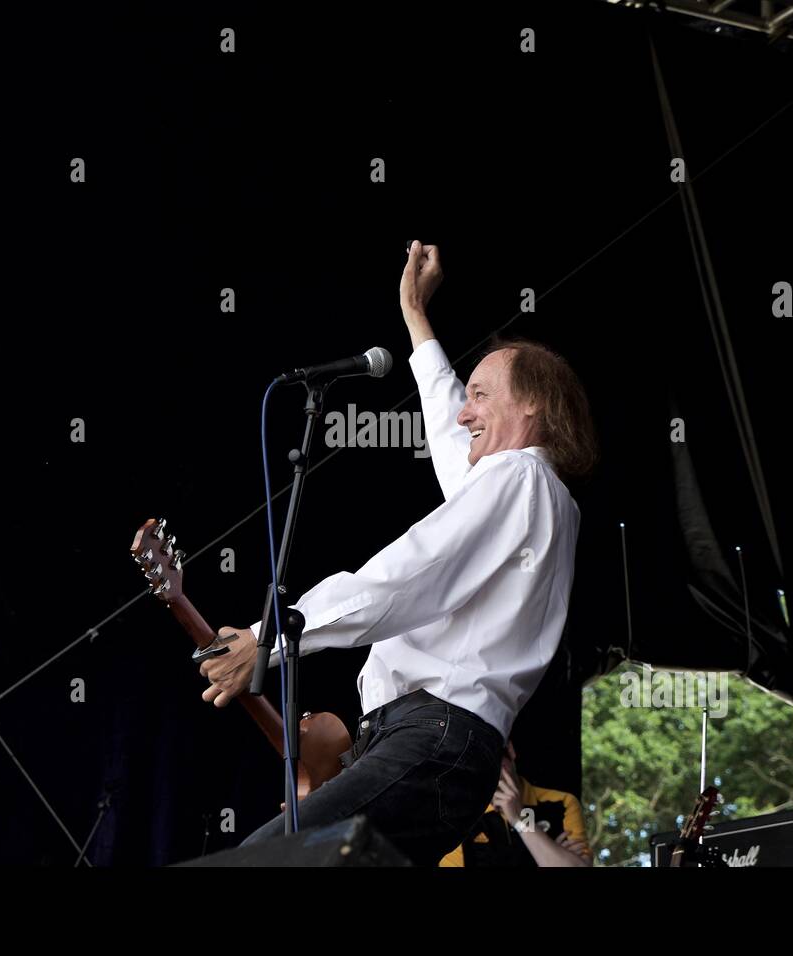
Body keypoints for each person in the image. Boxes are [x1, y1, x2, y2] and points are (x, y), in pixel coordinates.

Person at [199, 241, 597, 865]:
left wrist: (271, 635)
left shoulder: (519, 478)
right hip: (442, 750)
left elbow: (411, 573)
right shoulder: (528, 491)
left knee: (267, 859)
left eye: (482, 395)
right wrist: (415, 315)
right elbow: (448, 432)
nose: (465, 411)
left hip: (434, 737)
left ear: (533, 405)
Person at [440, 741, 593, 867]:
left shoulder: (562, 803)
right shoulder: (459, 820)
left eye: (492, 761)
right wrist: (551, 853)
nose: (488, 774)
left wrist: (521, 820)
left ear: (510, 750)